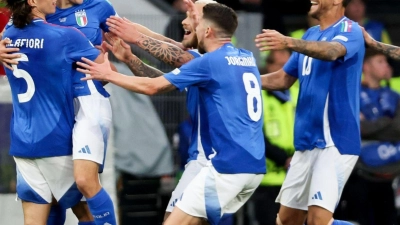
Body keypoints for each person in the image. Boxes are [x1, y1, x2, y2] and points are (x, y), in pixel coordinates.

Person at [77, 3, 266, 225]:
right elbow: (165, 78)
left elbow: (156, 82)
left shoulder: (209, 62)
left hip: (224, 163)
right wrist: (130, 59)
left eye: (192, 15)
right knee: (172, 217)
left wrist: (110, 72)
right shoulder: (244, 57)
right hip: (230, 162)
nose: (185, 22)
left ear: (206, 29)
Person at [254, 0, 365, 224]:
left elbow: (333, 51)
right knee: (287, 220)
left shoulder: (350, 30)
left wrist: (287, 41)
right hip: (306, 144)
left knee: (317, 220)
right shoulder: (310, 35)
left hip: (335, 141)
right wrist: (241, 80)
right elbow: (283, 78)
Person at [0, 0, 109, 224]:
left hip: (23, 144)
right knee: (89, 210)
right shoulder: (66, 36)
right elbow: (103, 70)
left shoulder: (7, 36)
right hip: (57, 142)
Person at [335, 49, 400, 225]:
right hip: (359, 173)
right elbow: (352, 127)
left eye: (386, 62)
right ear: (366, 66)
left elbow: (398, 128)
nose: (386, 65)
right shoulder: (351, 94)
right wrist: (387, 121)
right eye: (380, 61)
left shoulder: (394, 96)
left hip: (390, 173)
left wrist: (371, 124)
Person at [248, 49, 296, 225]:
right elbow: (255, 135)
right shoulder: (257, 95)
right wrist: (284, 159)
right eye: (282, 66)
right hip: (269, 178)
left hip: (297, 176)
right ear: (269, 67)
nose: (288, 72)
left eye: (290, 66)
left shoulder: (297, 92)